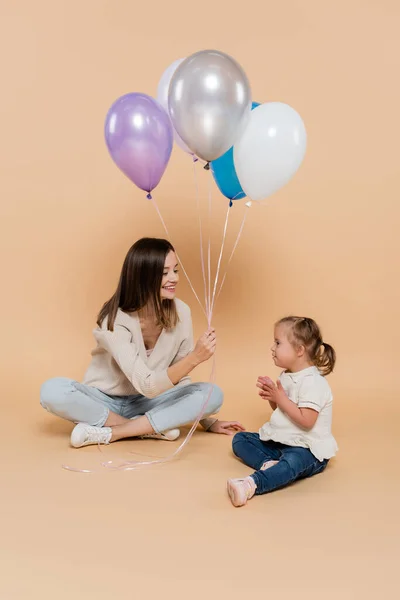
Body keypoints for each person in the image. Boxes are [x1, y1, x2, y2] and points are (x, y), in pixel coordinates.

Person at [40, 237, 244, 448]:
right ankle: (146, 429)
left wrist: (207, 421)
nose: (173, 278)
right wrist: (196, 358)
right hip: (104, 401)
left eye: (176, 270)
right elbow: (146, 384)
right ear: (142, 277)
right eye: (164, 273)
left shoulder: (182, 312)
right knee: (52, 390)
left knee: (213, 394)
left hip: (150, 403)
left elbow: (179, 379)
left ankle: (115, 432)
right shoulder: (114, 319)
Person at [227, 316, 337, 507]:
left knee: (293, 462)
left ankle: (252, 484)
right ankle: (270, 466)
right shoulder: (286, 375)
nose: (272, 348)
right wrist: (274, 399)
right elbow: (284, 412)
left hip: (307, 448)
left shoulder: (314, 382)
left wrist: (281, 398)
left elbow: (307, 421)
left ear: (299, 350)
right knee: (240, 440)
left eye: (278, 343)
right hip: (282, 441)